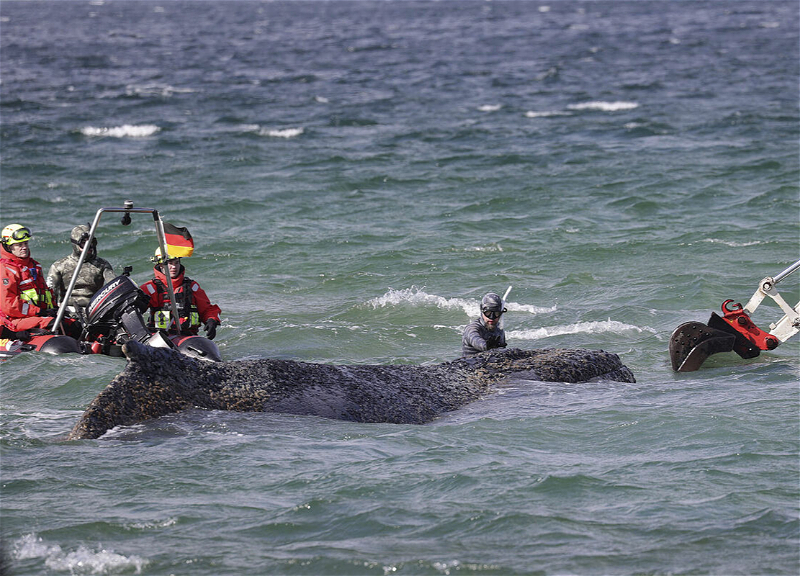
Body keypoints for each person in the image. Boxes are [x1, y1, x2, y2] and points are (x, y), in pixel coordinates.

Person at [0, 223, 81, 340]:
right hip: (14, 320)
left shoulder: (34, 266)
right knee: (56, 324)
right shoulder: (5, 270)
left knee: (74, 324)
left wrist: (52, 309)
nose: (24, 247)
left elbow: (44, 294)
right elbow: (9, 306)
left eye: (26, 243)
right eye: (19, 245)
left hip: (36, 315)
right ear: (8, 247)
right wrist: (40, 312)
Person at [139, 248, 221, 340]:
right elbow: (134, 312)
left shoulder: (192, 287)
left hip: (188, 338)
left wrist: (211, 320)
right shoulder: (150, 288)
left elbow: (207, 309)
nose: (174, 267)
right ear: (160, 264)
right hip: (160, 338)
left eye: (177, 262)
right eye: (170, 263)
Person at [47, 224, 115, 317]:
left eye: (91, 242)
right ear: (75, 244)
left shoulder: (102, 265)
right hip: (66, 311)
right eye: (83, 243)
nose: (88, 246)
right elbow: (50, 295)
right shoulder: (59, 266)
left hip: (94, 312)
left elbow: (114, 285)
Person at [462, 292, 507, 356]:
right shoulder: (472, 329)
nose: (492, 318)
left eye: (496, 313)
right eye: (488, 313)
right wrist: (487, 346)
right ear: (482, 311)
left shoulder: (499, 330)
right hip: (470, 363)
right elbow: (475, 340)